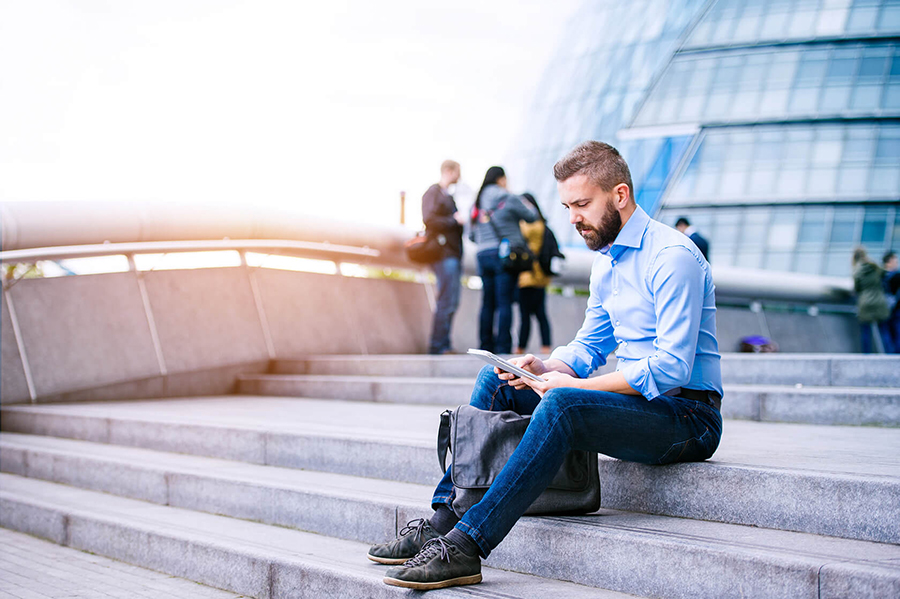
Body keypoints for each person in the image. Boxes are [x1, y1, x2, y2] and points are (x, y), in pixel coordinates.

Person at [369, 141, 723, 590]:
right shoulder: (607, 262)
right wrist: (544, 366)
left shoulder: (672, 257)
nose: (573, 217)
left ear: (619, 196)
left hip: (687, 416)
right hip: (641, 407)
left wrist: (569, 389)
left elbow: (671, 368)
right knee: (497, 382)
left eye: (582, 204)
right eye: (567, 206)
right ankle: (443, 521)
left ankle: (468, 546)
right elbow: (590, 346)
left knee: (564, 406)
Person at [468, 166, 537, 354]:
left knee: (487, 302)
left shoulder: (476, 204)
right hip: (504, 256)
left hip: (482, 255)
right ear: (501, 179)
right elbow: (532, 216)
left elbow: (470, 235)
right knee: (505, 301)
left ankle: (485, 345)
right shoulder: (508, 198)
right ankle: (503, 347)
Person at [420, 160, 465, 355]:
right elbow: (428, 219)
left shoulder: (448, 195)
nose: (459, 177)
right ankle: (438, 346)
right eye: (457, 172)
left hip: (452, 253)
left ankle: (443, 343)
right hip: (443, 253)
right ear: (449, 171)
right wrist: (453, 220)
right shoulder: (434, 192)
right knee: (446, 300)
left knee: (451, 301)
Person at [516, 192, 553, 355]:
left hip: (526, 275)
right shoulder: (542, 224)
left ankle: (520, 348)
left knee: (525, 316)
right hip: (541, 276)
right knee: (541, 314)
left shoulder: (526, 224)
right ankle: (546, 347)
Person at [852, 247, 893, 354]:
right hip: (880, 301)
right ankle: (890, 355)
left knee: (866, 332)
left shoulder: (857, 271)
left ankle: (866, 356)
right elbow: (885, 275)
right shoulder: (875, 267)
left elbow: (857, 288)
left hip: (865, 303)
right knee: (884, 331)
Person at [881, 250, 899, 354]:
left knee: (888, 333)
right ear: (888, 262)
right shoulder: (896, 276)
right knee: (896, 333)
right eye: (895, 261)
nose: (896, 263)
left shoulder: (881, 276)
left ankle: (890, 354)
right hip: (895, 309)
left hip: (885, 308)